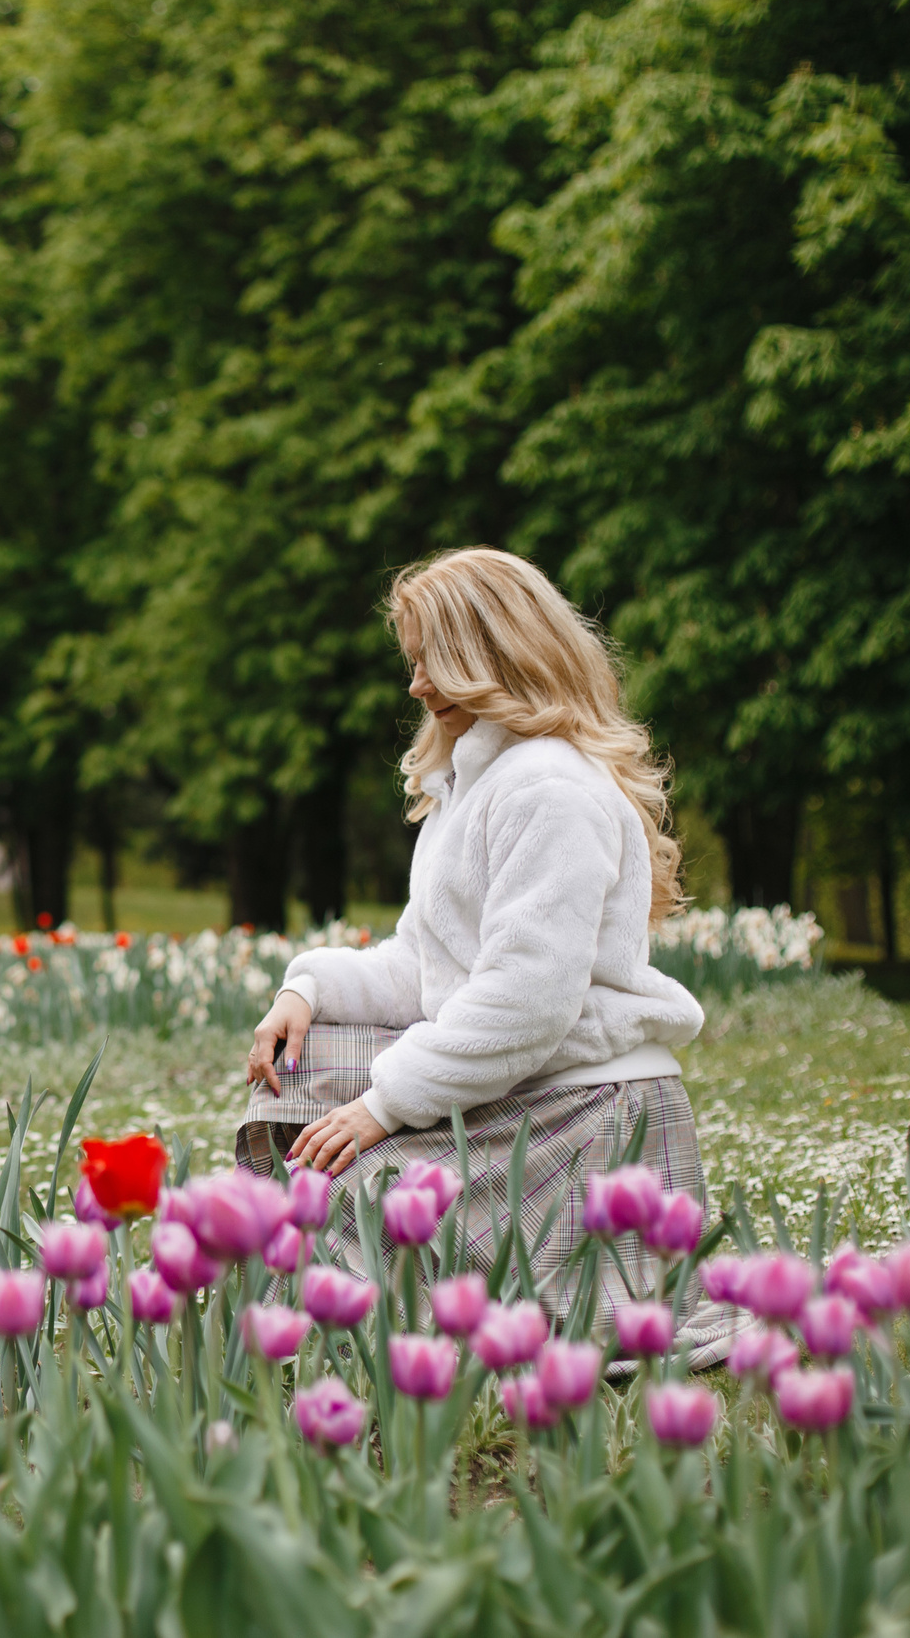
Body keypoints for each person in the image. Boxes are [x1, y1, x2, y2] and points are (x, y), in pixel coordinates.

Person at [237, 546, 718, 1351]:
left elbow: (524, 1004)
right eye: (415, 661)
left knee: (336, 1197)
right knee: (299, 1080)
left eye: (433, 662)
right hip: (526, 1076)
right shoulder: (477, 779)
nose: (416, 685)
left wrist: (383, 1107)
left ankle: (439, 1325)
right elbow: (426, 964)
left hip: (585, 1112)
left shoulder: (549, 790)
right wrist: (304, 991)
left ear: (492, 657)